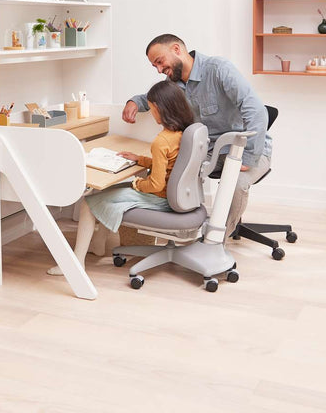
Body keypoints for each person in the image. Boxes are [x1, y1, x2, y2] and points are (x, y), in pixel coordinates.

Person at [122, 33, 271, 238]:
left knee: (236, 182)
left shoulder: (218, 69)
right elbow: (154, 96)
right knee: (176, 172)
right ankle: (182, 233)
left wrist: (248, 156)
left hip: (248, 150)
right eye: (154, 66)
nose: (159, 70)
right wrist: (133, 102)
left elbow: (256, 111)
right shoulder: (174, 84)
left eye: (160, 62)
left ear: (176, 49)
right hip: (211, 152)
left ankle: (217, 241)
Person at [47, 80, 195, 276]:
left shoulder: (162, 141)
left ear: (161, 109)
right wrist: (140, 159)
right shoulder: (182, 132)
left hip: (159, 198)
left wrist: (136, 183)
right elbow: (171, 165)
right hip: (174, 196)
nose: (151, 114)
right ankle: (98, 246)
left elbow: (155, 183)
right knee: (104, 193)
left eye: (151, 109)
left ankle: (76, 264)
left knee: (88, 203)